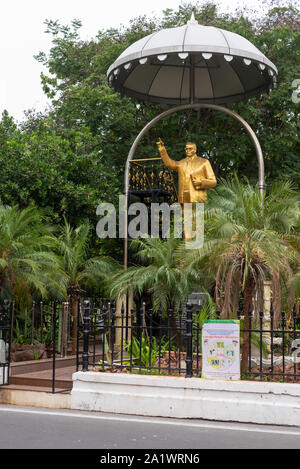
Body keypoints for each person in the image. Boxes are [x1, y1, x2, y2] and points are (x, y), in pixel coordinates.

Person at [156, 139, 217, 204]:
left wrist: (201, 182)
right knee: (185, 214)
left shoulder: (204, 162)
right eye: (186, 149)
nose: (188, 151)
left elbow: (213, 182)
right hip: (184, 199)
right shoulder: (181, 163)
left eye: (190, 149)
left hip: (198, 199)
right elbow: (169, 163)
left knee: (199, 214)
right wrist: (162, 149)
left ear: (195, 150)